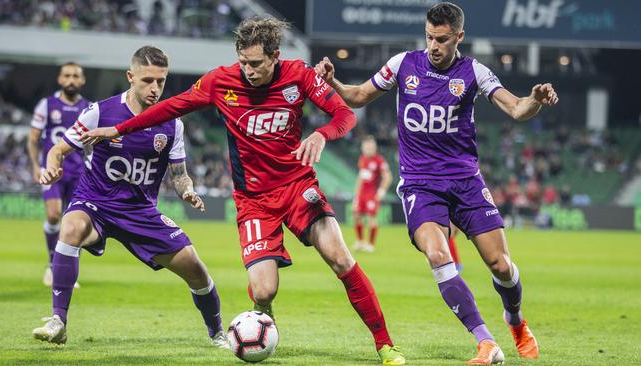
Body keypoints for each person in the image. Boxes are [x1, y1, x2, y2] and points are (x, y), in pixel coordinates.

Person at [80, 17, 405, 366]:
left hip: (298, 186)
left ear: (275, 56)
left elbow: (344, 115)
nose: (248, 70)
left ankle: (385, 345)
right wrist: (119, 128)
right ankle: (263, 313)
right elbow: (170, 106)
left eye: (256, 63)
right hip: (253, 201)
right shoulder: (221, 81)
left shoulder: (299, 75)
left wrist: (321, 134)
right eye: (243, 62)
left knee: (340, 257)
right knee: (264, 289)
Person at [315, 2, 558, 364]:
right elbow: (358, 96)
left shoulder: (474, 71)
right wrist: (332, 80)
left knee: (501, 266)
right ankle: (486, 342)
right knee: (438, 255)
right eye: (429, 37)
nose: (433, 46)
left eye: (442, 39)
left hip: (465, 181)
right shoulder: (403, 64)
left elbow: (516, 108)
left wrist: (535, 101)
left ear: (459, 36)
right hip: (419, 184)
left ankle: (516, 320)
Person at [32, 46, 228, 349]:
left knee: (196, 269)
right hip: (95, 203)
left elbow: (179, 174)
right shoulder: (100, 111)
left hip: (141, 212)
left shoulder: (172, 123)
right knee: (69, 228)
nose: (155, 88)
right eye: (147, 80)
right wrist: (50, 168)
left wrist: (187, 190)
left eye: (161, 81)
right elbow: (59, 148)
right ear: (130, 77)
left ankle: (217, 334)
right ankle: (58, 321)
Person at [27, 62, 90, 287]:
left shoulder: (89, 109)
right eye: (67, 75)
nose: (71, 80)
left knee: (77, 224)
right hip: (52, 170)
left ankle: (68, 272)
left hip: (80, 174)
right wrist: (36, 166)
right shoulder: (47, 105)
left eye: (76, 76)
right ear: (60, 79)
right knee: (54, 216)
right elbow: (33, 139)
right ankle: (53, 264)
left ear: (82, 81)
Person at [352, 135, 392, 253]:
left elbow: (388, 177)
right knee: (356, 216)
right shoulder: (362, 159)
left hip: (371, 193)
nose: (368, 148)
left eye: (370, 145)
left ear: (374, 147)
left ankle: (370, 244)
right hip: (361, 194)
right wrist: (356, 195)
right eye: (366, 146)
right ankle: (360, 241)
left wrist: (382, 191)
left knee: (371, 218)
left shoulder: (379, 160)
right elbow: (360, 177)